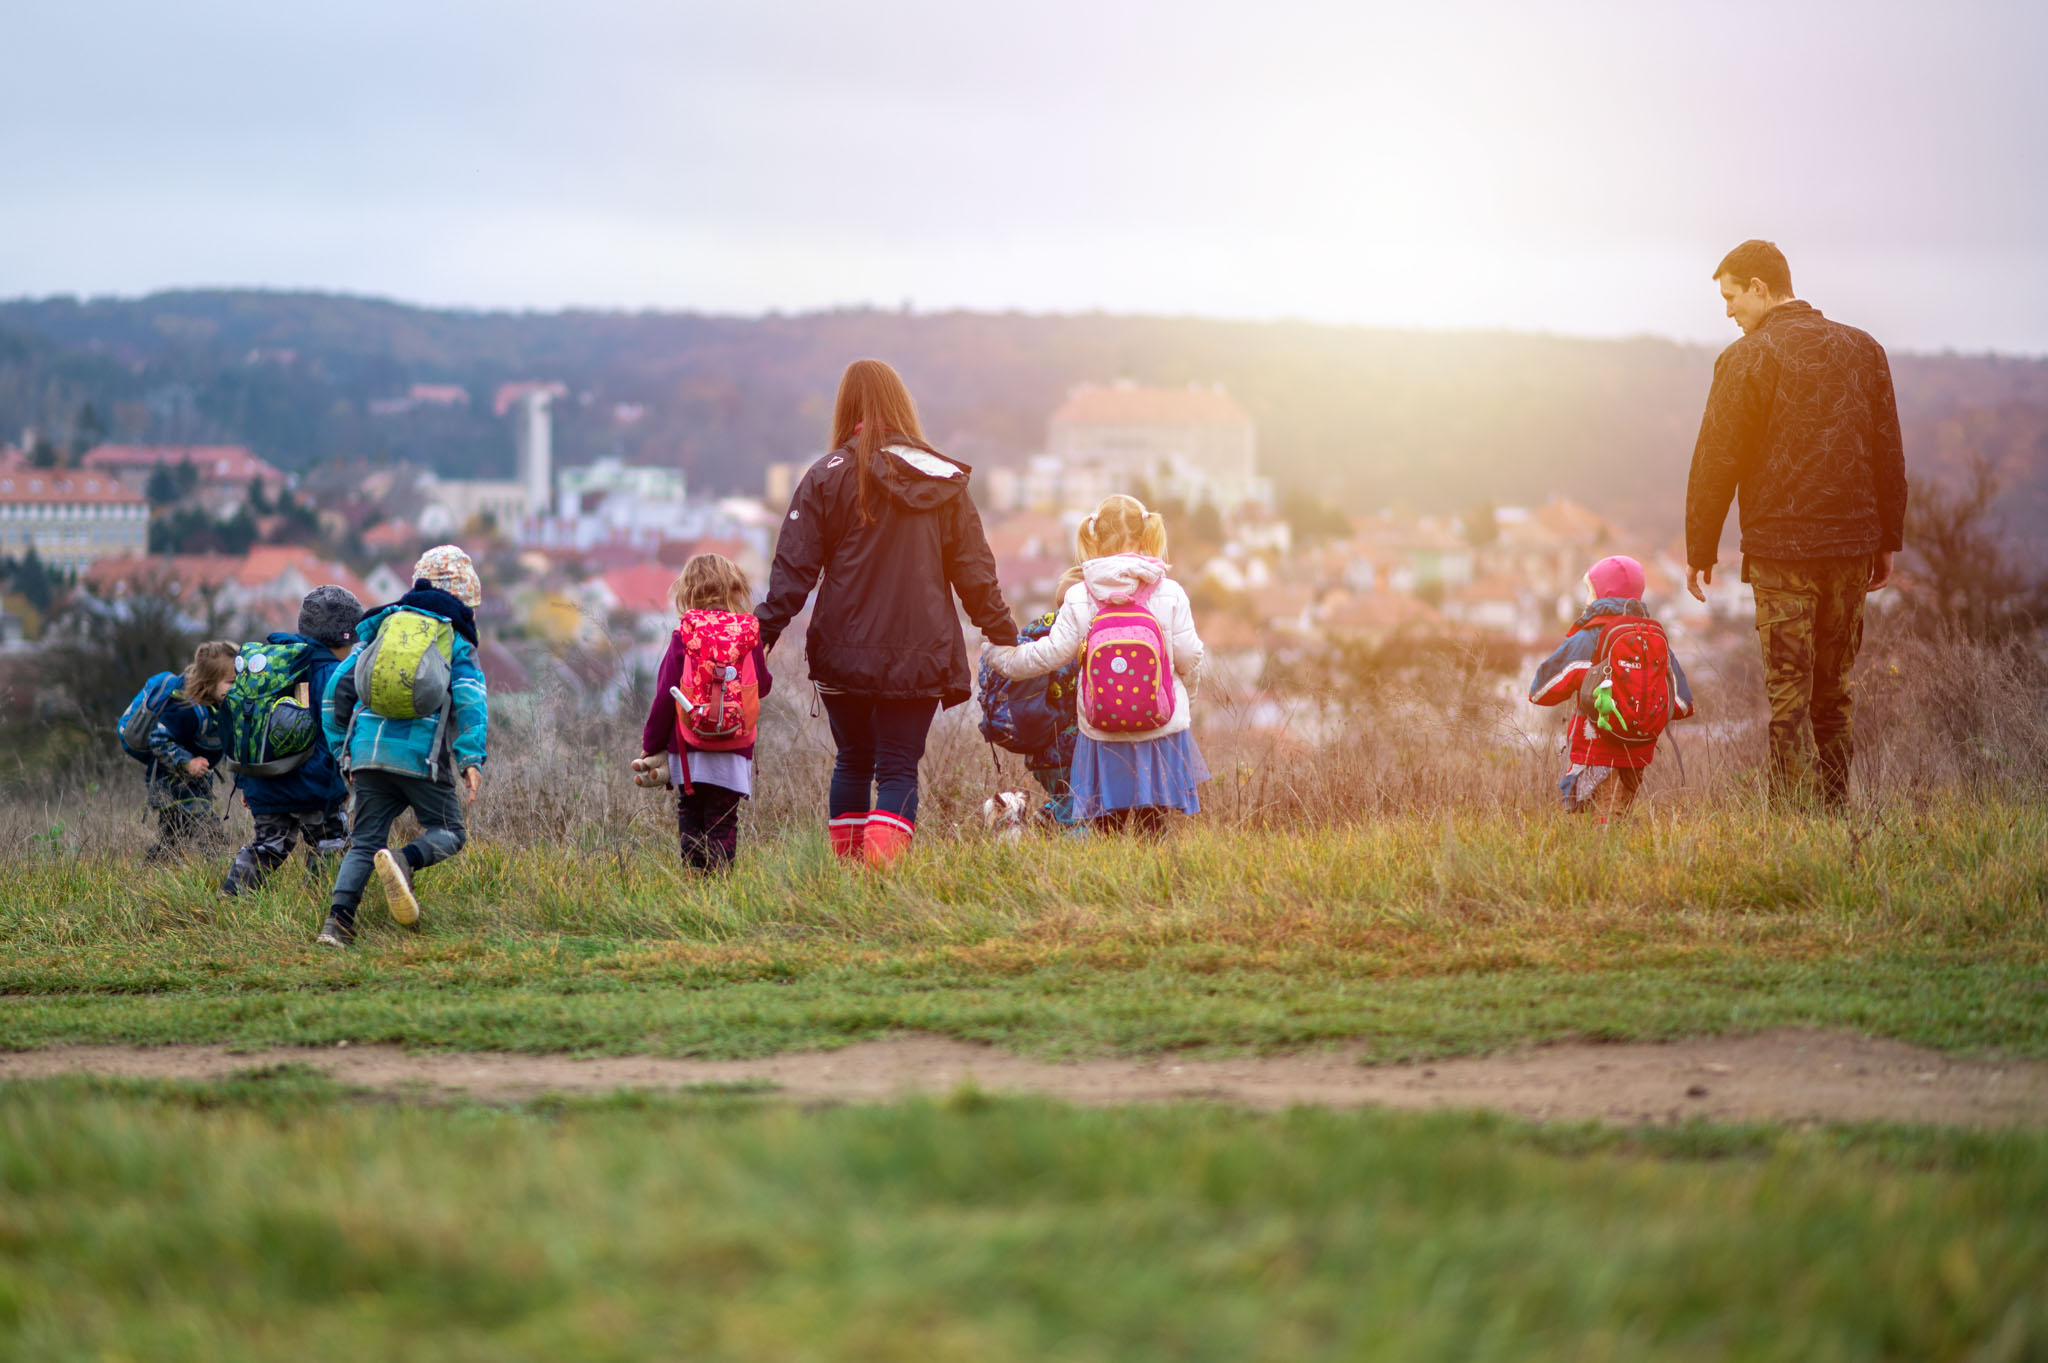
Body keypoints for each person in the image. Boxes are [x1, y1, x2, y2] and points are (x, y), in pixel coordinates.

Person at [756, 358, 1018, 867]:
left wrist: (760, 633)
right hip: (919, 653)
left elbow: (793, 571)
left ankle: (850, 879)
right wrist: (1006, 638)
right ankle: (881, 882)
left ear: (846, 408)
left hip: (840, 653)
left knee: (852, 762)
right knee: (898, 768)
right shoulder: (943, 479)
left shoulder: (825, 476)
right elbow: (974, 575)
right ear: (901, 406)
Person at [1684, 239, 1907, 808]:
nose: (1728, 311)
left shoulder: (1745, 359)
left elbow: (1717, 459)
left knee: (1789, 697)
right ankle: (1834, 813)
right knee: (1835, 693)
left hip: (1782, 553)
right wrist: (1887, 540)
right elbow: (1888, 453)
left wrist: (1700, 548)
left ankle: (1790, 824)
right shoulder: (1865, 350)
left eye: (1732, 297)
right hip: (1853, 547)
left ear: (1760, 288)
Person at [985, 494, 1209, 833]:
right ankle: (1152, 882)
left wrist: (998, 655)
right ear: (1147, 534)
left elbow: (1048, 654)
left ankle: (1109, 881)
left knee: (1107, 823)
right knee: (1154, 823)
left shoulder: (1080, 594)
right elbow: (1190, 656)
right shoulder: (1170, 592)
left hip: (1102, 728)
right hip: (1159, 725)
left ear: (1094, 536)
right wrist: (1185, 699)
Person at [317, 546, 489, 948]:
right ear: (464, 598)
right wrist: (470, 758)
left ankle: (336, 925)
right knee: (449, 831)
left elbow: (334, 693)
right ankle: (405, 860)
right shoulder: (454, 638)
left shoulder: (381, 628)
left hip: (367, 755)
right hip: (420, 758)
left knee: (363, 843)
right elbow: (471, 700)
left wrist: (344, 750)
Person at [1528, 555, 1695, 820]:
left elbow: (1540, 691)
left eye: (1589, 591)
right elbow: (1682, 704)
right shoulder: (1652, 638)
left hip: (1596, 750)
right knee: (1615, 821)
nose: (1586, 600)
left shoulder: (1588, 636)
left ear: (1602, 593)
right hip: (1638, 755)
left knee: (1600, 831)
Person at [220, 586, 364, 895]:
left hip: (263, 782)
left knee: (267, 846)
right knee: (330, 843)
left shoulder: (270, 669)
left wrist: (245, 781)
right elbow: (344, 731)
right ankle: (318, 903)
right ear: (346, 637)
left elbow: (243, 728)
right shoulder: (336, 674)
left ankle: (231, 898)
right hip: (317, 787)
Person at [634, 553, 773, 871]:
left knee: (691, 813)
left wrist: (651, 745)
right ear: (735, 588)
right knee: (723, 821)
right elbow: (761, 687)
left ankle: (695, 883)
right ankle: (720, 888)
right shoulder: (748, 634)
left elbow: (665, 694)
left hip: (689, 747)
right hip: (734, 747)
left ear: (688, 591)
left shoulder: (685, 634)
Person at [130, 641, 236, 862]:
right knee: (208, 829)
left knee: (173, 838)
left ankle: (152, 870)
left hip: (196, 784)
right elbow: (157, 739)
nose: (237, 688)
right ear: (209, 682)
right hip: (172, 783)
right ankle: (221, 872)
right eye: (231, 682)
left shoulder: (218, 710)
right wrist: (187, 762)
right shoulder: (185, 710)